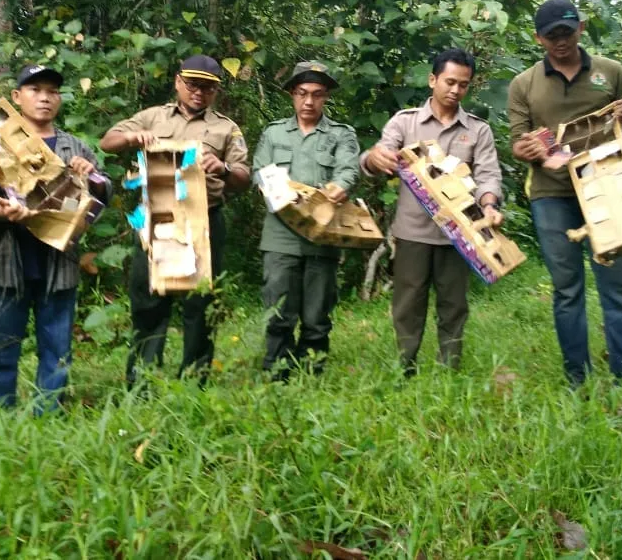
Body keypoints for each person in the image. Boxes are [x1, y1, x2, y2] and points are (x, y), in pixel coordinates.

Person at [508, 0, 622, 386]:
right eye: (552, 35)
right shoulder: (524, 84)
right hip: (553, 195)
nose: (561, 41)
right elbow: (517, 143)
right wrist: (527, 149)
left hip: (609, 187)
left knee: (619, 287)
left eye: (567, 31)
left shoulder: (610, 72)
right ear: (539, 38)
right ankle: (576, 379)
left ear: (581, 28)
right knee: (567, 289)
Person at [0, 64, 112, 412]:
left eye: (52, 91)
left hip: (57, 263)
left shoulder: (74, 146)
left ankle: (48, 413)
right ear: (17, 98)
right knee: (2, 346)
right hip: (7, 262)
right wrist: (4, 212)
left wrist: (90, 177)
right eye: (35, 90)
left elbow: (104, 194)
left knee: (57, 347)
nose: (45, 98)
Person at [100, 55, 251, 386]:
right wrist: (132, 138)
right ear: (178, 82)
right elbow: (107, 142)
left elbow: (243, 177)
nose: (199, 92)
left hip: (205, 220)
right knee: (149, 298)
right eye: (193, 84)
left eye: (208, 87)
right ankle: (141, 380)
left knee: (200, 303)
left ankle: (195, 381)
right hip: (158, 219)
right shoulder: (152, 116)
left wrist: (223, 168)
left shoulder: (226, 127)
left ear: (216, 91)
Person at [360, 48, 503, 375]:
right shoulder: (405, 122)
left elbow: (488, 175)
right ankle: (404, 367)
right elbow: (377, 156)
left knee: (454, 306)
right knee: (408, 304)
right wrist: (375, 158)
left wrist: (490, 205)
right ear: (432, 80)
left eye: (463, 85)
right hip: (413, 232)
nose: (455, 90)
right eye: (449, 82)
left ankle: (449, 370)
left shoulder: (478, 130)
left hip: (460, 234)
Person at [252, 61, 359, 380]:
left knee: (317, 313)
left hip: (323, 233)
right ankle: (276, 374)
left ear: (326, 97)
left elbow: (348, 170)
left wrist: (340, 186)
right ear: (291, 95)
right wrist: (280, 192)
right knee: (278, 310)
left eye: (317, 94)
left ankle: (312, 373)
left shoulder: (341, 134)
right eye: (302, 93)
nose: (309, 101)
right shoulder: (274, 133)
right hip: (280, 234)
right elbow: (260, 171)